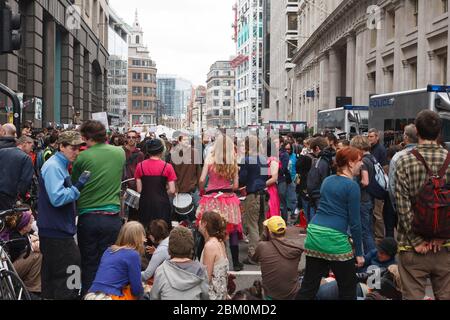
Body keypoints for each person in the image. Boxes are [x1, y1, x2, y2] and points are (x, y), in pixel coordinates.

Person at [394, 110, 450, 300]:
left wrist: (417, 241)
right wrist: (441, 237)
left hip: (412, 248)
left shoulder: (404, 160)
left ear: (416, 131)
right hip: (444, 247)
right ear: (439, 132)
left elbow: (402, 207)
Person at [296, 147, 365, 300]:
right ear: (350, 163)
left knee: (308, 287)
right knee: (348, 290)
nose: (362, 164)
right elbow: (355, 223)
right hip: (335, 238)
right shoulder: (352, 186)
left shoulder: (328, 181)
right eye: (360, 161)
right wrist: (359, 253)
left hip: (314, 232)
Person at [72, 120, 125, 295]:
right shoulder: (119, 152)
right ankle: (107, 296)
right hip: (112, 217)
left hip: (88, 217)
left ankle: (89, 295)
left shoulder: (82, 157)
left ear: (86, 137)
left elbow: (74, 184)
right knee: (109, 263)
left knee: (88, 262)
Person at [37, 131, 89, 300]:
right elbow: (57, 198)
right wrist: (78, 186)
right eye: (72, 148)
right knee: (71, 271)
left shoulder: (58, 165)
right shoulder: (53, 166)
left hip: (55, 230)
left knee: (54, 277)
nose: (76, 152)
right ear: (61, 146)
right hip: (57, 232)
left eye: (78, 148)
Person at [196, 134, 243, 271]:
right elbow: (235, 185)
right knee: (232, 230)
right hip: (229, 199)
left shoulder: (210, 158)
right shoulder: (233, 160)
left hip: (211, 198)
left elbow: (201, 180)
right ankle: (236, 262)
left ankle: (202, 259)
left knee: (206, 228)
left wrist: (202, 190)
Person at [85, 221, 145, 300]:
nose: (144, 239)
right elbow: (137, 289)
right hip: (110, 296)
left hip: (92, 294)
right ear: (138, 238)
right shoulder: (133, 255)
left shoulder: (109, 250)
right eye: (143, 236)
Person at [149, 226, 209, 300]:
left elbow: (154, 297)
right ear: (191, 248)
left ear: (170, 247)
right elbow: (206, 296)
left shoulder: (161, 271)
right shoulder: (201, 271)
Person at [253, 216, 303, 300]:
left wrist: (263, 238)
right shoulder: (295, 247)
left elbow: (254, 259)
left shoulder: (262, 246)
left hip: (271, 295)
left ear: (269, 232)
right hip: (292, 294)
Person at [239, 136, 269, 267]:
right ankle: (262, 254)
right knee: (261, 225)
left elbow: (242, 179)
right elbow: (265, 176)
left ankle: (253, 255)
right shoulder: (263, 159)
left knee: (252, 226)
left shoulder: (246, 160)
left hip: (253, 195)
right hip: (263, 194)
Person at [135, 138, 177, 227]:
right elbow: (172, 190)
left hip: (145, 203)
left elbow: (139, 190)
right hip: (162, 203)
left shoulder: (140, 166)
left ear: (148, 151)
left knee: (146, 229)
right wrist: (162, 193)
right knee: (163, 231)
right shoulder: (168, 167)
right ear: (162, 151)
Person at [5, 209, 42, 296]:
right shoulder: (17, 238)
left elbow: (34, 239)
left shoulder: (22, 233)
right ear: (24, 226)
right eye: (29, 223)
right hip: (10, 269)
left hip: (16, 265)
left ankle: (34, 286)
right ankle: (31, 289)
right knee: (37, 256)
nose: (31, 225)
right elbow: (38, 247)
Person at [350, 136, 376, 254]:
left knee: (365, 232)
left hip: (362, 199)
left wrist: (355, 188)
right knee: (369, 230)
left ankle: (370, 257)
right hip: (369, 198)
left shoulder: (364, 161)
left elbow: (365, 181)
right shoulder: (372, 158)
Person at [171, 134, 202, 219]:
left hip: (192, 188)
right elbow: (172, 174)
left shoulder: (194, 152)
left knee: (197, 214)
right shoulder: (174, 154)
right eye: (184, 140)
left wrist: (200, 188)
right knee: (181, 216)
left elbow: (198, 170)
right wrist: (175, 188)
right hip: (180, 189)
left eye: (188, 139)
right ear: (179, 141)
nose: (187, 141)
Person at [199, 211, 229, 300]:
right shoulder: (220, 242)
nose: (198, 223)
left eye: (200, 221)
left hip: (213, 296)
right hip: (221, 294)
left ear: (204, 224)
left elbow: (206, 279)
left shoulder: (210, 246)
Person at [0, 136, 34, 210]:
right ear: (25, 143)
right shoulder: (26, 158)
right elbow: (25, 181)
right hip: (10, 197)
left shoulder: (2, 151)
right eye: (31, 146)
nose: (32, 150)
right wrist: (19, 198)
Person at [368, 128, 388, 243]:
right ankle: (374, 234)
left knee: (377, 213)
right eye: (369, 136)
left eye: (372, 136)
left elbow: (384, 168)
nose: (370, 138)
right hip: (370, 185)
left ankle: (379, 237)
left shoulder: (381, 150)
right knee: (372, 212)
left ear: (377, 137)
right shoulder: (369, 149)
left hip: (377, 186)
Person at [306, 137, 333, 220]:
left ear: (317, 148)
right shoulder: (328, 159)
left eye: (313, 150)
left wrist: (311, 192)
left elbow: (314, 180)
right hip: (322, 195)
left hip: (318, 195)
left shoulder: (321, 162)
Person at [122, 130, 145, 221]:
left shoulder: (140, 154)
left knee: (134, 215)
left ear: (137, 139)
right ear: (126, 138)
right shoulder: (121, 151)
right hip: (123, 185)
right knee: (122, 214)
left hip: (135, 186)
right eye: (129, 137)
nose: (131, 139)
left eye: (133, 137)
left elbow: (141, 171)